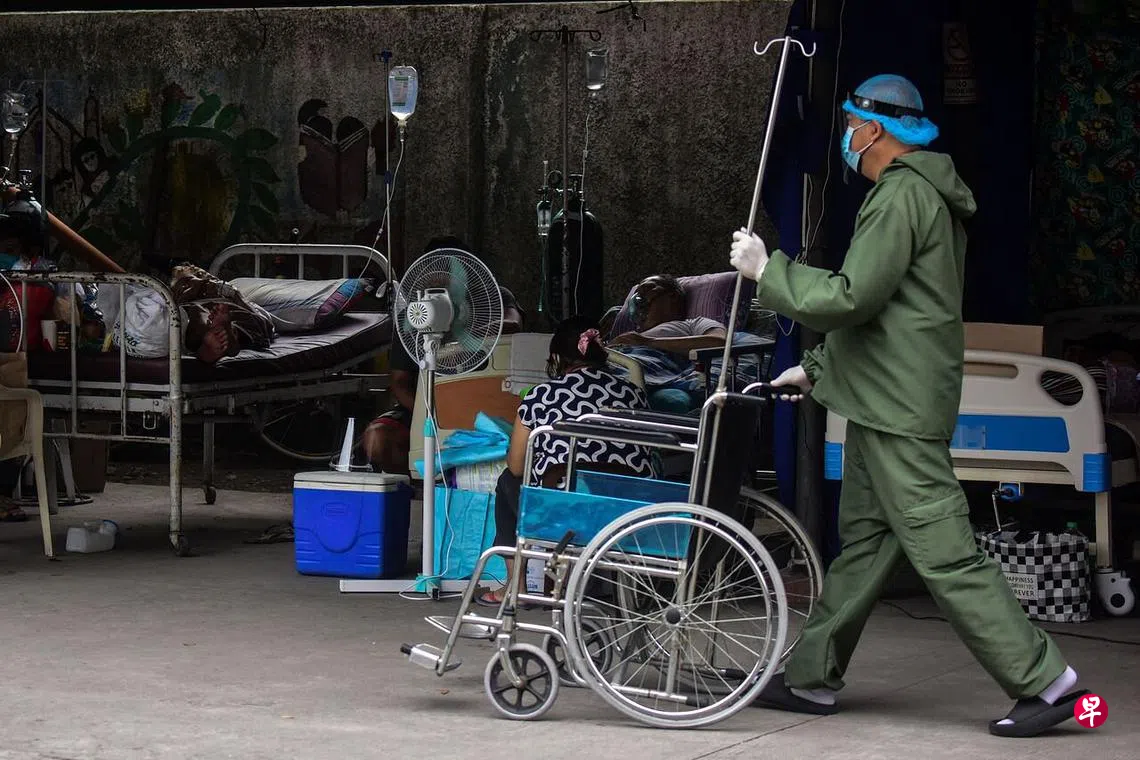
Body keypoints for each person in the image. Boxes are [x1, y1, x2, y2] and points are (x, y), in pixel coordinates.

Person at [727, 74, 1087, 738]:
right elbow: (894, 314)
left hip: (898, 411)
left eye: (850, 125)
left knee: (946, 553)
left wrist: (767, 271)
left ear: (875, 129)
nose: (847, 137)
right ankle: (811, 677)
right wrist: (816, 368)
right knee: (865, 545)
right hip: (884, 401)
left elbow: (853, 296)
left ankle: (1047, 681)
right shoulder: (919, 193)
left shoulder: (902, 196)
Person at [477, 315, 656, 607]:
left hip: (562, 513)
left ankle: (514, 586)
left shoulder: (540, 396)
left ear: (557, 358)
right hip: (624, 513)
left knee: (508, 480)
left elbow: (517, 466)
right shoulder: (633, 394)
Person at [362, 237, 524, 476]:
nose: (440, 277)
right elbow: (399, 382)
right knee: (378, 439)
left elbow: (512, 324)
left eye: (450, 269)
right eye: (434, 268)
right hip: (429, 406)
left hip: (491, 402)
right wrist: (431, 413)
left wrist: (462, 332)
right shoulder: (415, 315)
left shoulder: (493, 297)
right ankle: (417, 488)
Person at [607, 275, 727, 413]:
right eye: (637, 294)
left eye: (648, 288)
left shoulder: (693, 324)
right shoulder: (629, 335)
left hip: (636, 374)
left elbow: (718, 343)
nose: (638, 298)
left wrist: (647, 342)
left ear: (673, 296)